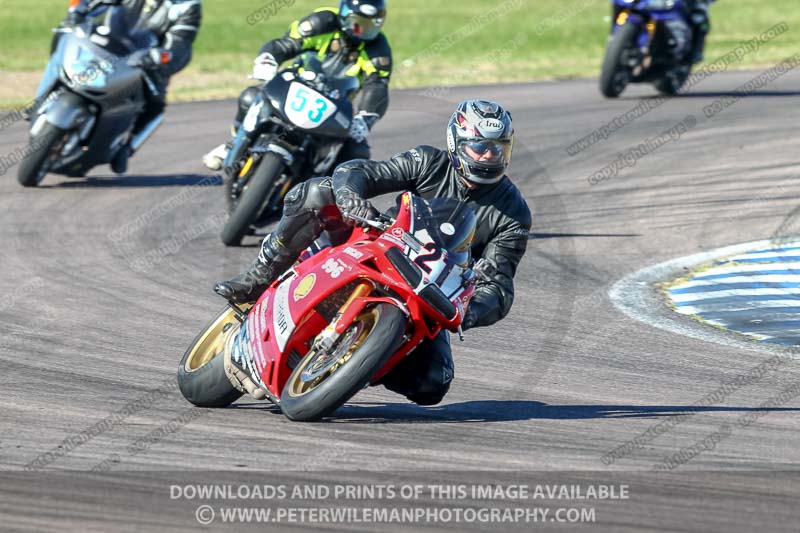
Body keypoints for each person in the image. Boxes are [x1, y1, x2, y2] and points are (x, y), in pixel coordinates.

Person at [215, 100, 532, 406]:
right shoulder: (427, 161)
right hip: (379, 242)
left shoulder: (514, 214)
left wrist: (471, 310)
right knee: (316, 192)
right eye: (481, 148)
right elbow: (363, 171)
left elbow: (499, 285)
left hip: (428, 290)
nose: (489, 158)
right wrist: (351, 197)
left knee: (433, 383)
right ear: (456, 143)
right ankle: (260, 276)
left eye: (498, 149)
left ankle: (356, 362)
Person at [202, 0, 391, 171]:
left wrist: (366, 117)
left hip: (334, 105)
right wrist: (267, 60)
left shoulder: (378, 49)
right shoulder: (323, 22)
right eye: (357, 22)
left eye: (370, 24)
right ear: (344, 14)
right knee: (250, 97)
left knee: (357, 149)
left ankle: (327, 196)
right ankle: (233, 145)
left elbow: (377, 85)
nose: (362, 30)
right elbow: (288, 44)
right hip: (295, 85)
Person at [56, 0, 202, 173]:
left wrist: (160, 57)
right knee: (64, 34)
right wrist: (77, 11)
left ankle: (125, 147)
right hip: (104, 41)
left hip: (144, 61)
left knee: (155, 103)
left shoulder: (187, 6)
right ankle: (46, 94)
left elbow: (181, 41)